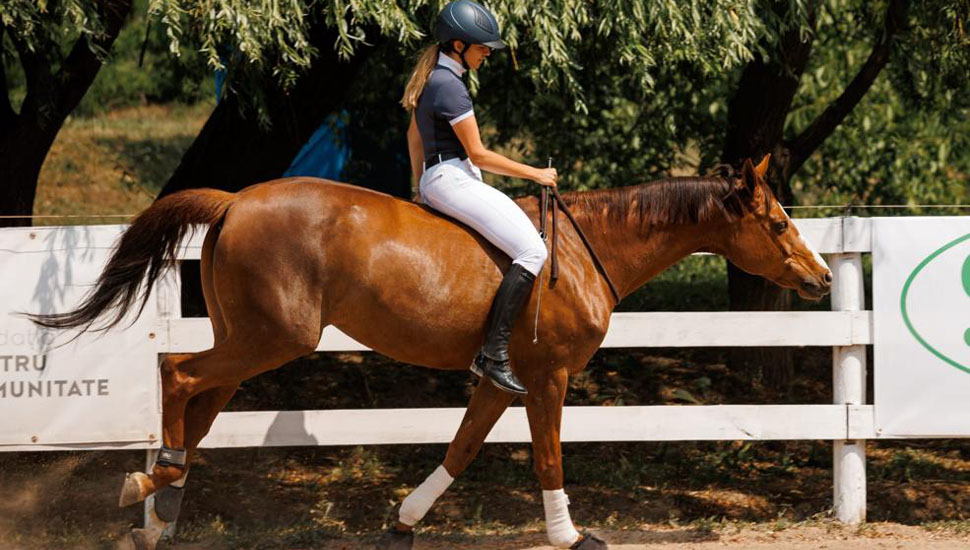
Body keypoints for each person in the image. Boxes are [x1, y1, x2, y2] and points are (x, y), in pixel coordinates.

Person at [400, 0, 558, 396]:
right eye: (482, 46)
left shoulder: (435, 78)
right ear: (458, 45)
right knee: (533, 252)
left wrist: (420, 187)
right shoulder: (450, 86)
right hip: (453, 177)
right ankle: (493, 353)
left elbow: (412, 138)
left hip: (441, 178)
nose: (488, 53)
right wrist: (536, 172)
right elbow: (480, 155)